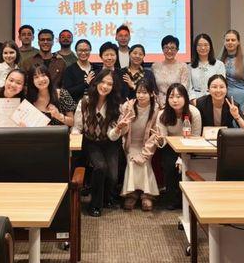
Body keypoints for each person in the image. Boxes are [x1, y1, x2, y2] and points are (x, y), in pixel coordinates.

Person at [71, 69, 123, 217]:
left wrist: (119, 129)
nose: (105, 86)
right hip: (91, 142)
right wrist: (75, 137)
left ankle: (106, 198)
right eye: (102, 82)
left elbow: (112, 136)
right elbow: (77, 126)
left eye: (109, 84)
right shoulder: (85, 102)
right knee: (100, 167)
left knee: (113, 176)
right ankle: (95, 205)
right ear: (96, 82)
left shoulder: (116, 105)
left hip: (109, 142)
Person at [108, 77, 160, 211]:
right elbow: (122, 131)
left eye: (144, 92)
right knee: (132, 161)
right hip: (130, 144)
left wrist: (144, 154)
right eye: (138, 92)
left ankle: (146, 195)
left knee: (144, 162)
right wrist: (123, 125)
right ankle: (132, 194)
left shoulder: (156, 109)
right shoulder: (127, 106)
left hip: (147, 145)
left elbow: (155, 135)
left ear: (151, 93)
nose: (140, 95)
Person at [156, 83, 201, 210]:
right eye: (171, 97)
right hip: (170, 147)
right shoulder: (162, 114)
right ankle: (172, 199)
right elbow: (163, 140)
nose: (175, 100)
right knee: (170, 166)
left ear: (185, 97)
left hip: (190, 146)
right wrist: (159, 140)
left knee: (186, 166)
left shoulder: (194, 112)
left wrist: (182, 157)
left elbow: (196, 137)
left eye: (178, 96)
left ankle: (188, 199)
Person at [219, 29, 244, 111]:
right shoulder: (219, 61)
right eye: (227, 40)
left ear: (238, 42)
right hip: (223, 98)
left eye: (233, 40)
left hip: (241, 99)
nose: (230, 42)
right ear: (224, 42)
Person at [152, 35, 189, 106]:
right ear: (162, 49)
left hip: (177, 102)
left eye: (172, 48)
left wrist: (173, 100)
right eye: (166, 48)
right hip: (159, 103)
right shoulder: (155, 66)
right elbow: (154, 88)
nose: (169, 51)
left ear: (177, 50)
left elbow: (183, 88)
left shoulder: (183, 66)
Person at [188, 33, 226, 101]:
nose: (203, 48)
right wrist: (193, 100)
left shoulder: (219, 65)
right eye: (199, 45)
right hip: (196, 99)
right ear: (195, 47)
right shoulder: (189, 67)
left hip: (214, 98)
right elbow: (189, 87)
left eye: (206, 45)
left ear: (210, 46)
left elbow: (221, 85)